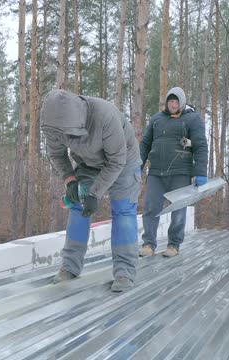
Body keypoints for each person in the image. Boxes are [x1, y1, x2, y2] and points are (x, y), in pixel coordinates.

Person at [40, 89, 142, 292]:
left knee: (122, 211)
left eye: (66, 133)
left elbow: (116, 161)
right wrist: (70, 181)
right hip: (87, 163)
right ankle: (70, 266)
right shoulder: (53, 127)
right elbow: (58, 155)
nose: (62, 137)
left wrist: (95, 193)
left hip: (122, 163)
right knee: (78, 206)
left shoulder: (105, 116)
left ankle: (124, 271)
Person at [139, 87, 208, 258]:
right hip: (156, 172)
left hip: (180, 172)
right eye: (171, 101)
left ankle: (173, 244)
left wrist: (200, 171)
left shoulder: (192, 119)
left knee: (178, 210)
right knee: (150, 208)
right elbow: (145, 145)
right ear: (167, 103)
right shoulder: (156, 119)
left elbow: (200, 145)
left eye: (176, 101)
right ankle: (148, 244)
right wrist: (137, 166)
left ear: (182, 102)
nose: (173, 104)